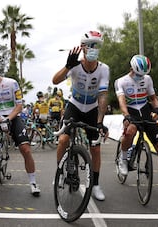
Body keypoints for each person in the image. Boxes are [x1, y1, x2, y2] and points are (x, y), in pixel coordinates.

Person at [114, 54, 158, 198]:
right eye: (139, 74)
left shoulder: (147, 79)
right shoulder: (121, 81)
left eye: (143, 74)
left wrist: (157, 109)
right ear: (132, 69)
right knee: (131, 131)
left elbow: (153, 98)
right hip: (131, 111)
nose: (141, 77)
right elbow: (122, 101)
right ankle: (123, 160)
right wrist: (126, 115)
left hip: (145, 111)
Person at [52, 30, 109, 201]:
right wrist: (68, 66)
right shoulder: (75, 65)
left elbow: (103, 95)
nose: (94, 49)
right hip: (74, 106)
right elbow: (55, 81)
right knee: (63, 140)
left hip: (91, 109)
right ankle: (61, 172)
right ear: (83, 47)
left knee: (95, 148)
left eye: (97, 46)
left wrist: (100, 121)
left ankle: (96, 184)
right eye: (91, 46)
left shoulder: (103, 69)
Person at [0, 58, 40, 196]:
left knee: (25, 149)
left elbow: (19, 105)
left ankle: (33, 182)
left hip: (13, 116)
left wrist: (8, 119)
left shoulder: (12, 83)